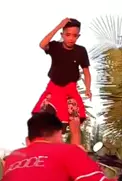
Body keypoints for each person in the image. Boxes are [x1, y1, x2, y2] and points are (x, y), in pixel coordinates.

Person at [33, 18, 92, 146]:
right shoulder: (55, 46)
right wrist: (59, 26)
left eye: (75, 35)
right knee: (43, 122)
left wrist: (88, 89)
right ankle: (43, 149)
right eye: (68, 34)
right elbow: (42, 44)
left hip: (70, 91)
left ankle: (75, 151)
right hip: (53, 90)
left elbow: (86, 72)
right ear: (62, 35)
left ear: (78, 36)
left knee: (75, 123)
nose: (71, 38)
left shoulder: (81, 51)